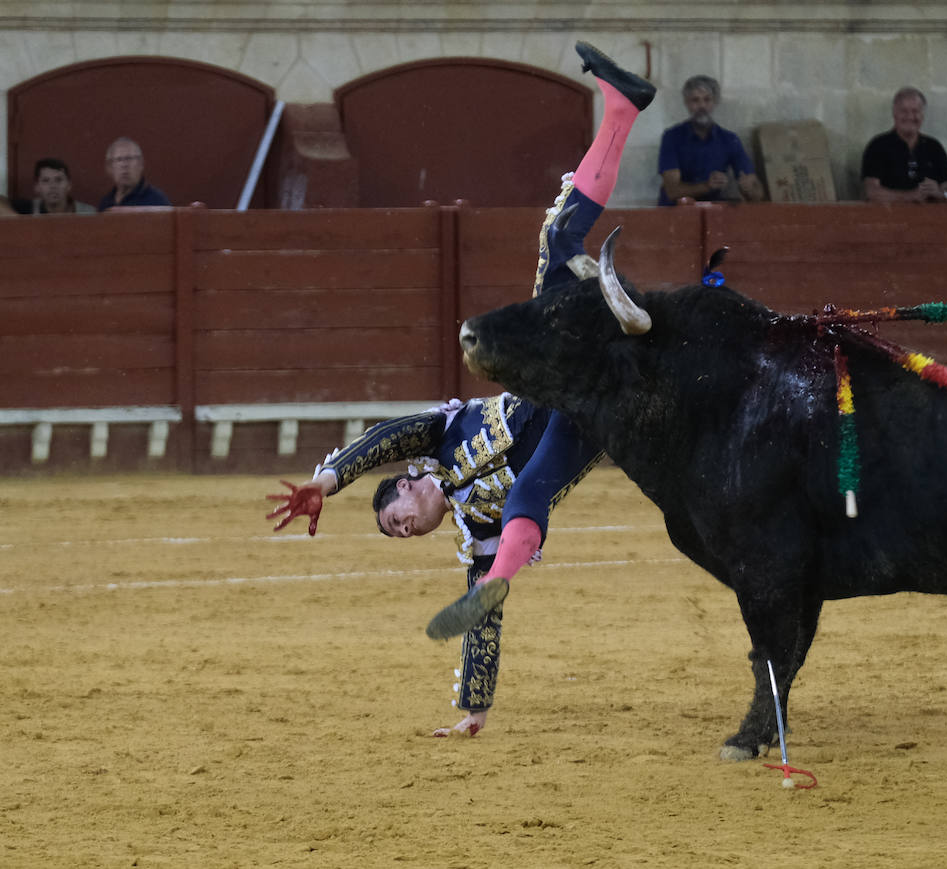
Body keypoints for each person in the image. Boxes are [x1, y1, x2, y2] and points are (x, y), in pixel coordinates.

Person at [267, 41, 655, 740]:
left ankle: (621, 111)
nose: (405, 526)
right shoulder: (473, 530)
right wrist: (474, 707)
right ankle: (509, 564)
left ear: (411, 482)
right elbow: (483, 626)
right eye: (402, 534)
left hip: (548, 378)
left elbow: (386, 437)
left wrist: (328, 480)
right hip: (576, 431)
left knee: (556, 231)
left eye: (396, 514)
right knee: (523, 504)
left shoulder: (440, 437)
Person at [657, 74, 763, 205]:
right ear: (686, 103)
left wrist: (749, 189)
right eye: (695, 100)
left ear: (715, 102)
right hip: (675, 215)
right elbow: (672, 191)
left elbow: (756, 193)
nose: (702, 106)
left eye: (707, 100)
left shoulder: (729, 140)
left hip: (713, 215)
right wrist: (707, 186)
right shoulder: (672, 137)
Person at [860, 87, 947, 203]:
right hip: (889, 219)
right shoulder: (877, 146)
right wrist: (910, 196)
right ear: (894, 113)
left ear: (923, 114)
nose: (910, 117)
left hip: (931, 219)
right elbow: (871, 192)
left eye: (915, 111)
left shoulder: (934, 147)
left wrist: (941, 194)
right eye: (904, 111)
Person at [98, 137, 172, 210]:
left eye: (129, 158)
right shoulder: (105, 204)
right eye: (119, 159)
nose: (124, 165)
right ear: (109, 168)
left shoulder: (157, 202)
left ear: (141, 164)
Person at [30, 158, 96, 214]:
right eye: (46, 181)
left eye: (58, 180)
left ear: (69, 185)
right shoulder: (28, 211)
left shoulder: (88, 213)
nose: (53, 186)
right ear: (37, 187)